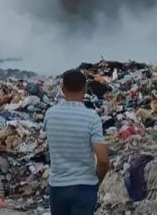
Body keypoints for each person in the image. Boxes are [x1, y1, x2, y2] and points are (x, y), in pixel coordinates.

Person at [43, 69, 110, 215]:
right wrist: (97, 179)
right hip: (84, 187)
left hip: (58, 186)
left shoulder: (50, 114)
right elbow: (103, 160)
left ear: (62, 88)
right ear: (85, 89)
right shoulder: (92, 118)